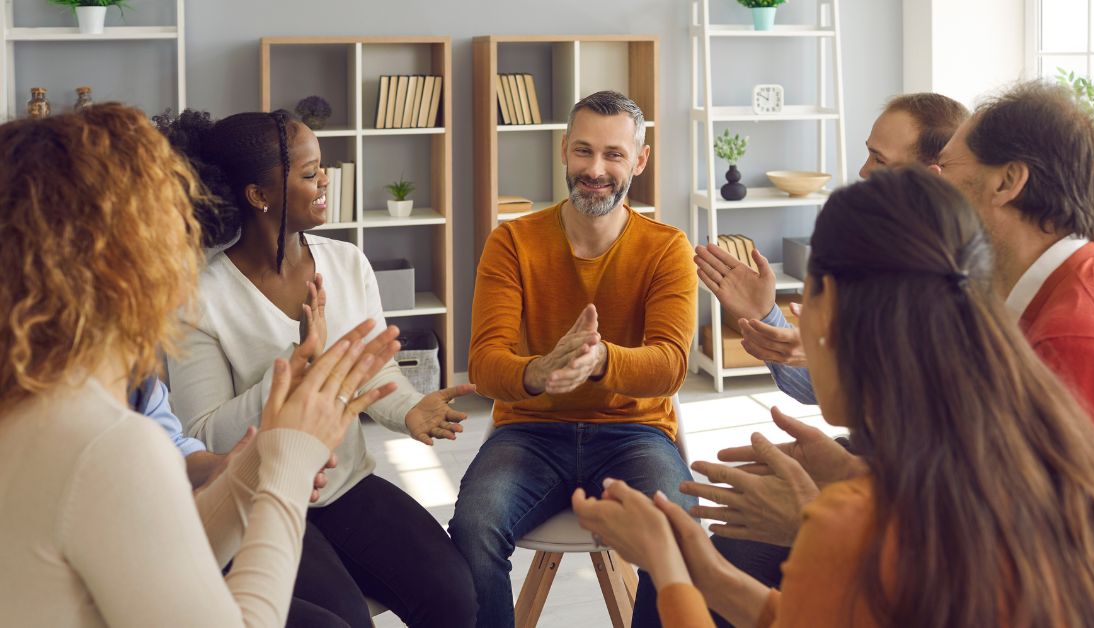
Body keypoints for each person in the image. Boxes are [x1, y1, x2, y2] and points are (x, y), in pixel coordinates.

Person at [572, 167, 1094, 627]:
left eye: (803, 294)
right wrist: (702, 569)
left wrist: (665, 563)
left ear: (830, 307)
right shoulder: (1044, 442)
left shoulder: (857, 524)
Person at [0, 103, 397, 627]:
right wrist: (287, 468)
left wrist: (259, 461)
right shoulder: (108, 445)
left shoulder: (40, 403)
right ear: (118, 258)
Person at [159, 108, 477, 628]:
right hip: (261, 495)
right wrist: (298, 370)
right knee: (345, 619)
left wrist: (410, 409)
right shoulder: (200, 297)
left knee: (454, 596)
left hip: (346, 483)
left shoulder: (348, 263)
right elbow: (205, 434)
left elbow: (375, 371)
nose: (325, 179)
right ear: (258, 195)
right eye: (309, 173)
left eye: (322, 167)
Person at [686, 92, 968, 616]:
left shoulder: (955, 286)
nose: (862, 170)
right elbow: (838, 396)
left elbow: (940, 486)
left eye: (880, 161)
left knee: (705, 565)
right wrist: (772, 323)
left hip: (915, 501)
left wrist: (823, 502)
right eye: (867, 152)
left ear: (928, 177)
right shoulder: (887, 255)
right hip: (879, 469)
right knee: (711, 548)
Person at [933, 80, 1094, 616]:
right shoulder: (1067, 292)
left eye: (944, 171)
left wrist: (830, 505)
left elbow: (1031, 559)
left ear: (1008, 182)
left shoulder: (1081, 340)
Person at [453, 90, 697, 627]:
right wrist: (537, 372)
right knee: (473, 529)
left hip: (634, 433)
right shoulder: (512, 241)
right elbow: (485, 364)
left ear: (640, 160)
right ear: (563, 151)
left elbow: (671, 365)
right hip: (531, 433)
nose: (596, 169)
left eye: (614, 154)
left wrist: (601, 360)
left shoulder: (666, 247)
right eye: (583, 151)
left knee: (678, 527)